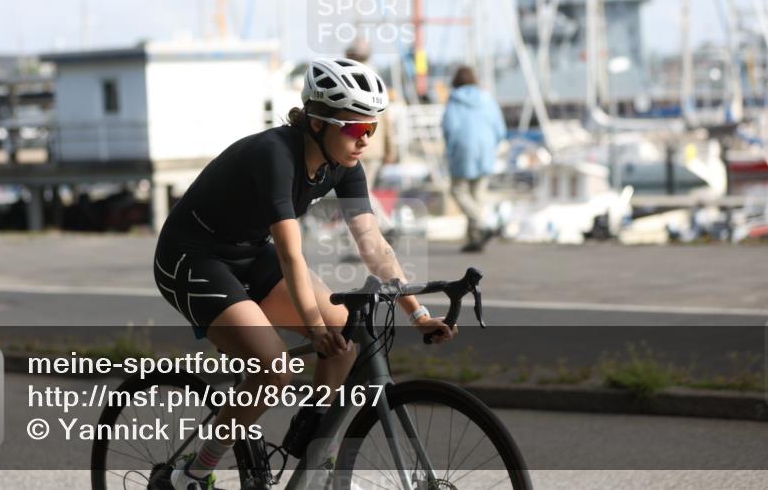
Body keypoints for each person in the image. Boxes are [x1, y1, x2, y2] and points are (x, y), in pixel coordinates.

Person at [154, 57, 457, 489]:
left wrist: (418, 313)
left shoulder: (345, 165)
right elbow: (293, 255)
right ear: (317, 123)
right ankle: (194, 471)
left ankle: (316, 457)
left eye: (371, 128)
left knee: (343, 343)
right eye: (355, 129)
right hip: (192, 258)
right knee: (275, 368)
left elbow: (373, 243)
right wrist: (313, 329)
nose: (365, 140)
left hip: (249, 252)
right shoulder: (275, 155)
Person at [441, 66, 507, 253]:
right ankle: (475, 239)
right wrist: (492, 144)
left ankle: (481, 224)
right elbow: (500, 129)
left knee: (458, 190)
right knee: (477, 194)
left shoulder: (454, 101)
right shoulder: (487, 99)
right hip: (486, 149)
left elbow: (449, 127)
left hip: (463, 149)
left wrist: (450, 149)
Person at [344, 40, 398, 235]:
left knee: (357, 194)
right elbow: (387, 119)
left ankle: (384, 225)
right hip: (375, 146)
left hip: (353, 142)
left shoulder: (349, 78)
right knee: (360, 192)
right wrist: (390, 149)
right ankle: (384, 225)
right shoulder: (377, 80)